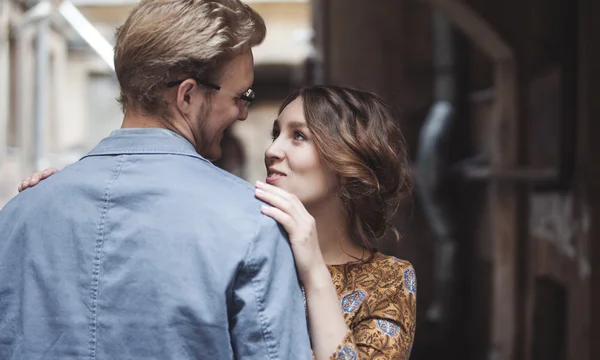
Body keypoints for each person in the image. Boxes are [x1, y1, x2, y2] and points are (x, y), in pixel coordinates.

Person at [0, 1, 312, 359]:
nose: (243, 113)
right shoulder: (253, 225)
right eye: (242, 97)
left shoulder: (18, 216)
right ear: (188, 96)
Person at [20, 85, 418, 360]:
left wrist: (314, 270)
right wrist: (72, 197)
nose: (272, 149)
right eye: (277, 132)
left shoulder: (389, 281)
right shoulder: (240, 236)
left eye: (298, 137)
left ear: (347, 160)